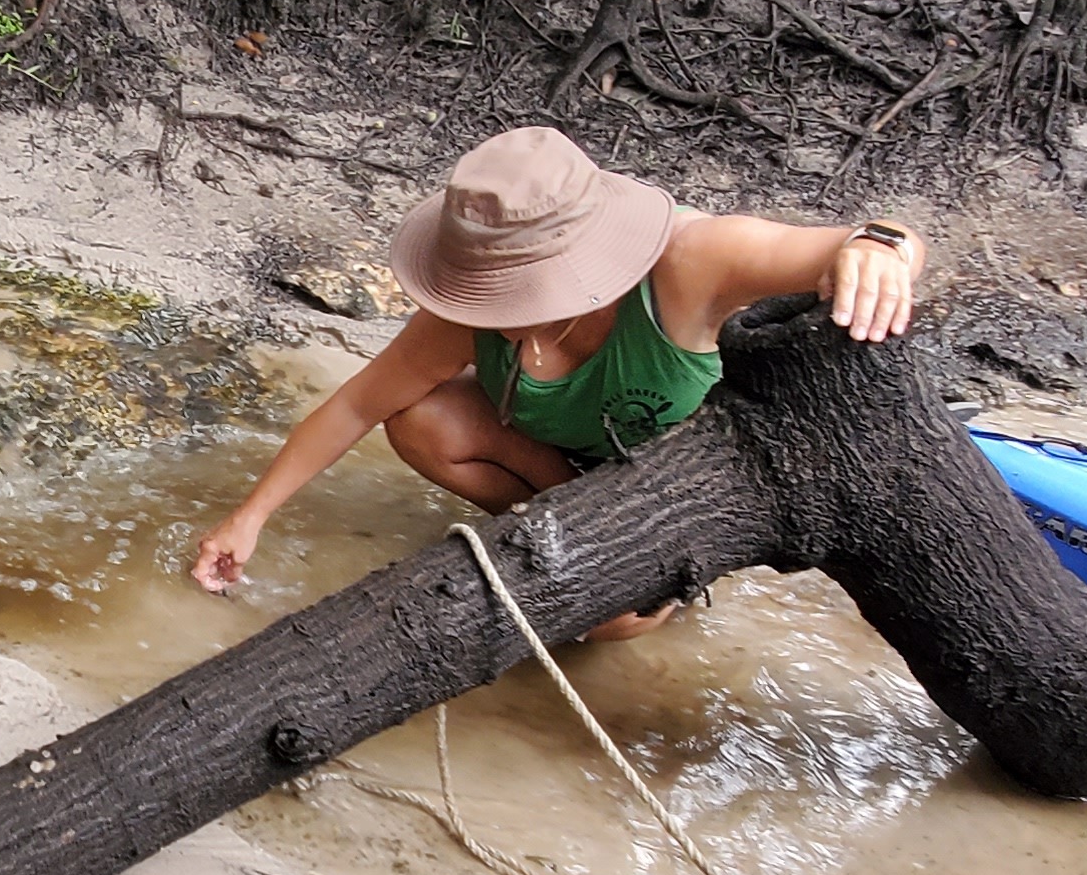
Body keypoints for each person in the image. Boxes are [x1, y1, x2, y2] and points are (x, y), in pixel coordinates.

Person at [189, 127, 923, 634]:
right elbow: (356, 403)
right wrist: (248, 517)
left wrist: (879, 251)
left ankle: (655, 590)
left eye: (508, 292)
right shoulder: (464, 312)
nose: (494, 313)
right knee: (420, 421)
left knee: (599, 620)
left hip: (678, 502)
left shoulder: (692, 263)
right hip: (570, 477)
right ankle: (556, 526)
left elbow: (878, 238)